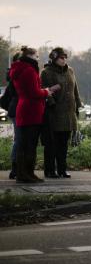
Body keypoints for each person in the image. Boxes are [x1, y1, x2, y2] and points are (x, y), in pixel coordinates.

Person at [9, 46, 60, 183]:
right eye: (37, 56)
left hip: (24, 108)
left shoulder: (18, 69)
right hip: (31, 110)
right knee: (30, 144)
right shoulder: (29, 71)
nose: (38, 59)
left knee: (23, 144)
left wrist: (42, 91)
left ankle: (23, 173)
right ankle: (26, 174)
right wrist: (46, 92)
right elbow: (34, 92)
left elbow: (28, 90)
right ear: (30, 56)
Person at [40, 47, 82, 179]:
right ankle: (50, 170)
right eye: (61, 58)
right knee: (52, 143)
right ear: (54, 58)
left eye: (65, 58)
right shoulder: (46, 72)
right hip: (54, 113)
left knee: (64, 144)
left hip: (68, 113)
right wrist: (51, 103)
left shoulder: (70, 70)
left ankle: (62, 169)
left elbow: (75, 88)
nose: (64, 60)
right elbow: (44, 89)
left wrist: (78, 104)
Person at [1, 53, 21, 179]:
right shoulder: (16, 75)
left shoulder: (13, 74)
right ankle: (15, 167)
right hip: (17, 109)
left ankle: (16, 167)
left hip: (14, 109)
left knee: (18, 139)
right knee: (19, 139)